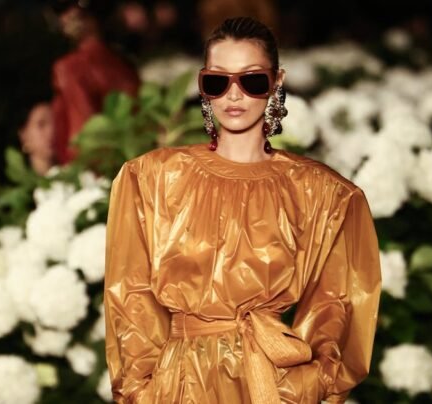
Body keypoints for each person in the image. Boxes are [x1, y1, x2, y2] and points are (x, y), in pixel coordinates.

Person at [104, 17, 381, 404]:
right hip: (179, 386)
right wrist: (142, 391)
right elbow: (131, 297)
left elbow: (337, 304)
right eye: (218, 81)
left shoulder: (319, 192)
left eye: (252, 80)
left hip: (269, 381)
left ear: (276, 82)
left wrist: (307, 384)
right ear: (203, 85)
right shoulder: (153, 177)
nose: (233, 95)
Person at [49, 0, 141, 165]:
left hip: (97, 172)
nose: (62, 17)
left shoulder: (71, 67)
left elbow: (83, 140)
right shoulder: (125, 65)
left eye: (62, 7)